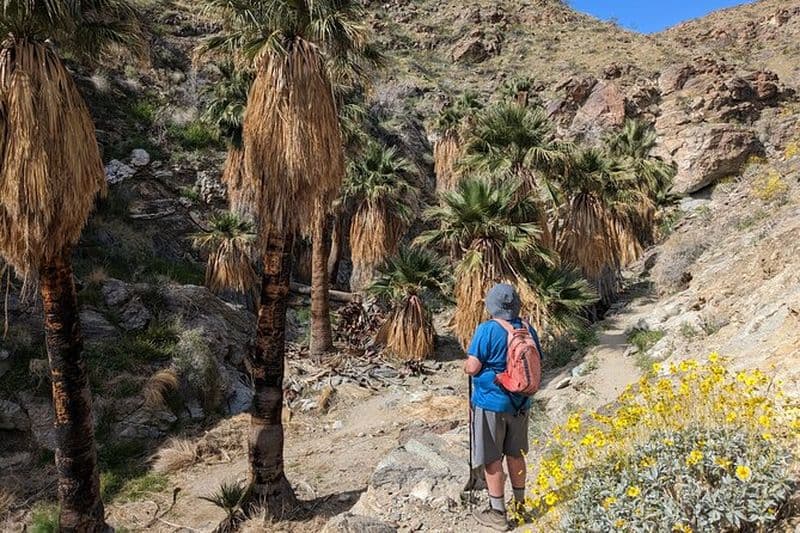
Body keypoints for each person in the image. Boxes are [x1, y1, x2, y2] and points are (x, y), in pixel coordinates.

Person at [464, 283, 543, 531]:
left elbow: (473, 367)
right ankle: (520, 507)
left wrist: (465, 367)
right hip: (521, 403)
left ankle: (498, 513)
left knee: (491, 458)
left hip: (490, 404)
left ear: (492, 306)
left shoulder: (487, 330)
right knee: (515, 454)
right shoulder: (527, 328)